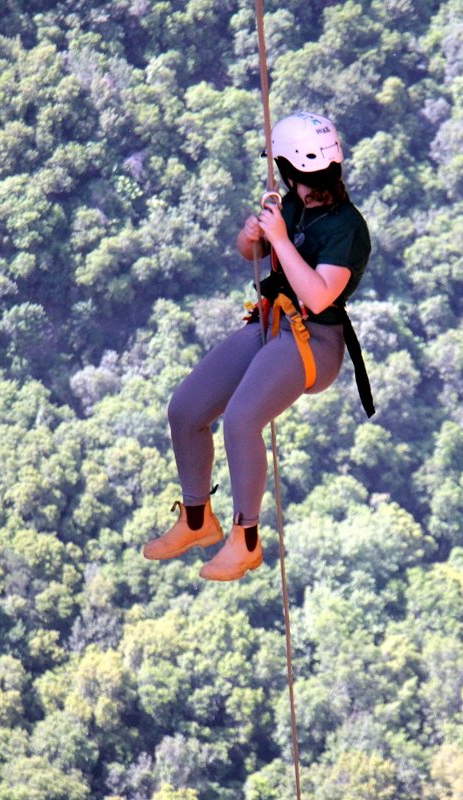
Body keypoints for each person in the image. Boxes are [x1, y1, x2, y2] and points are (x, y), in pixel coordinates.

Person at [142, 111, 373, 581]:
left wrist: (280, 239)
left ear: (289, 165)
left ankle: (245, 539)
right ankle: (196, 518)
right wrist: (253, 237)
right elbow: (255, 254)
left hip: (316, 342)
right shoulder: (292, 205)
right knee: (185, 410)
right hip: (273, 323)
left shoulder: (346, 226)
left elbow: (319, 294)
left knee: (243, 420)